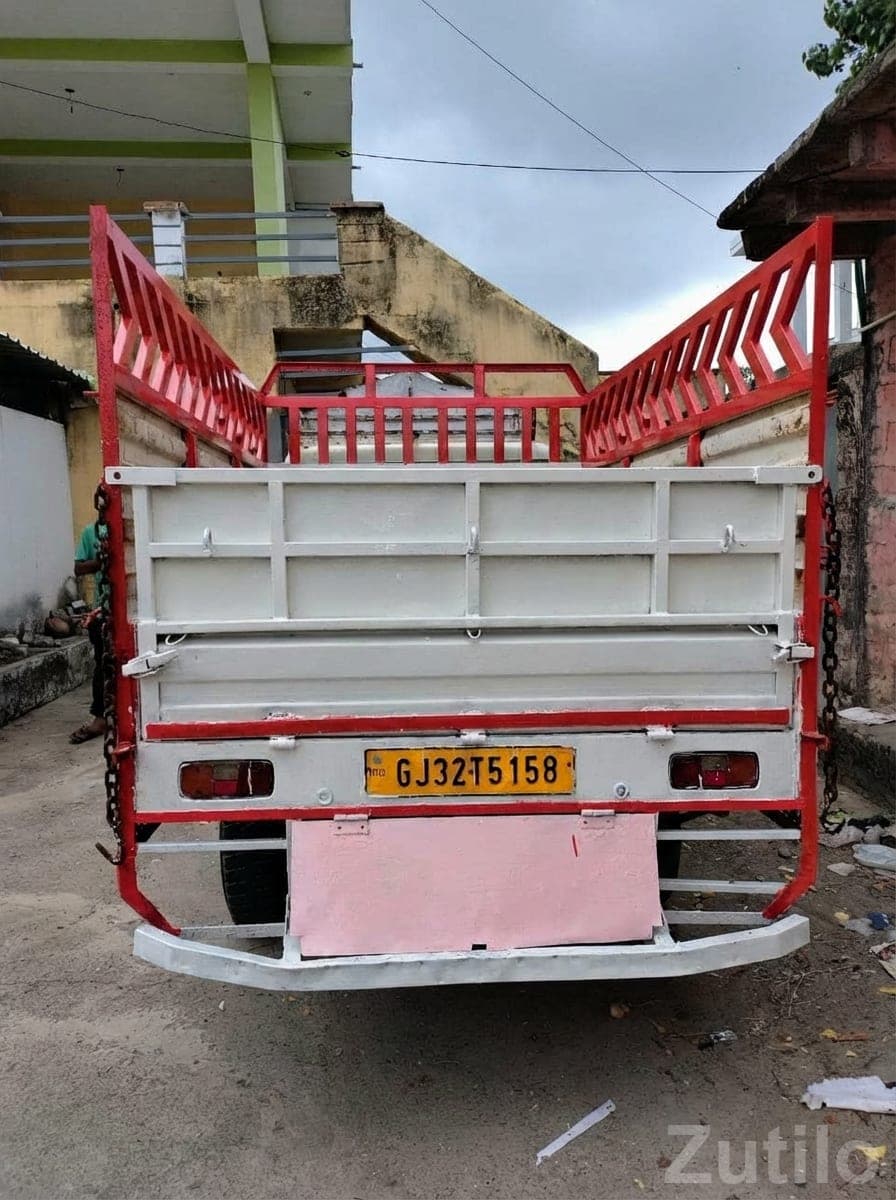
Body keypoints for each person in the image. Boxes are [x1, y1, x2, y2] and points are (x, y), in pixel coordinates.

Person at [69, 518, 108, 744]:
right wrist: (100, 561)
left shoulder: (134, 525)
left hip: (133, 605)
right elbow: (78, 568)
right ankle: (100, 717)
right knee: (103, 665)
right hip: (103, 607)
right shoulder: (91, 531)